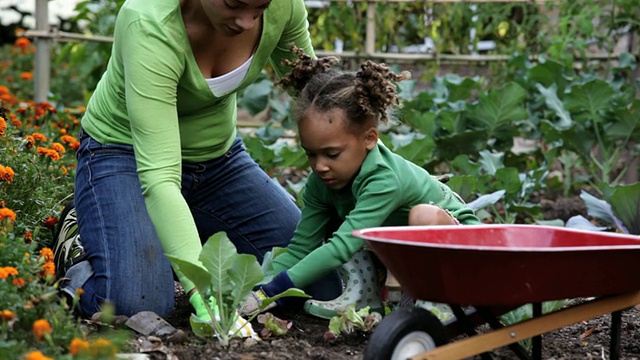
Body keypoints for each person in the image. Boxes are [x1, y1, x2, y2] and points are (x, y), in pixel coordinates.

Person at [51, 0, 343, 336]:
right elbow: (159, 176)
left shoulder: (284, 6)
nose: (247, 22)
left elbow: (322, 102)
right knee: (136, 302)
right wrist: (206, 296)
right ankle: (81, 239)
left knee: (315, 280)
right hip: (123, 156)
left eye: (259, 8)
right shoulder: (149, 22)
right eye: (234, 4)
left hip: (219, 163)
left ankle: (163, 239)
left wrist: (380, 176)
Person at [241, 47, 481, 319]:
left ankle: (439, 301)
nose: (320, 165)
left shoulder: (384, 179)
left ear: (369, 139)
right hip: (398, 252)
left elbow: (342, 247)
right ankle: (365, 296)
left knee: (418, 215)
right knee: (340, 222)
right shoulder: (320, 183)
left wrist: (278, 289)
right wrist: (256, 287)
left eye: (332, 154)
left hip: (461, 249)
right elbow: (300, 248)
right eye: (310, 153)